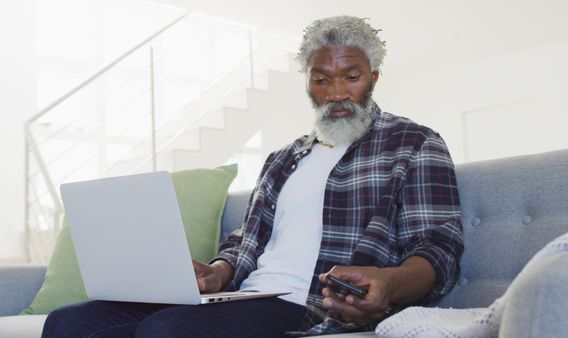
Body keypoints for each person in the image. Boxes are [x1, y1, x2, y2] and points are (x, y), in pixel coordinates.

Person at [42, 15, 463, 337]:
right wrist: (218, 273)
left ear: (372, 77)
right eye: (321, 79)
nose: (336, 93)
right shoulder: (284, 158)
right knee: (69, 323)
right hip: (247, 295)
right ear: (308, 84)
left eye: (350, 78)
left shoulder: (413, 143)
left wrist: (389, 283)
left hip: (312, 305)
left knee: (167, 330)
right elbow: (246, 240)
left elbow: (438, 247)